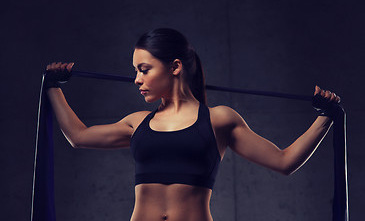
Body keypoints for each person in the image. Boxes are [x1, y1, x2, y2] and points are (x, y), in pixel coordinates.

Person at [45, 28, 341, 221]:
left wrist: (325, 117)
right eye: (135, 70)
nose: (136, 79)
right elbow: (78, 135)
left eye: (144, 69)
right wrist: (54, 87)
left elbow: (284, 160)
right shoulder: (136, 124)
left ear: (175, 67)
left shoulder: (219, 120)